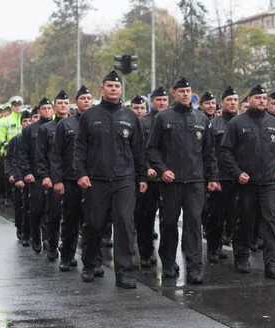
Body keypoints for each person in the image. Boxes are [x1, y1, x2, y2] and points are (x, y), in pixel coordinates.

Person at [74, 70, 147, 288]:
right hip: (96, 179)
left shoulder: (130, 117)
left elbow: (138, 151)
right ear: (102, 89)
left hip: (124, 179)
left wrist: (142, 176)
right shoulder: (90, 115)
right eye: (110, 86)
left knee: (125, 224)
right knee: (94, 224)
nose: (114, 89)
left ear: (121, 90)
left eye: (117, 86)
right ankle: (89, 264)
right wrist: (81, 173)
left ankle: (124, 272)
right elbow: (80, 149)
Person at [146, 76, 219, 284]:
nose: (185, 94)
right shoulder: (163, 118)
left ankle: (195, 267)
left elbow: (208, 153)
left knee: (194, 224)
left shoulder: (201, 119)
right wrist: (162, 171)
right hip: (171, 183)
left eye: (188, 91)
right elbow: (151, 149)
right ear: (174, 93)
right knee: (168, 223)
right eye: (181, 91)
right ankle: (168, 262)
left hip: (195, 182)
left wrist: (212, 177)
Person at [221, 84, 275, 279]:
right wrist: (236, 173)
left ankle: (272, 264)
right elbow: (226, 151)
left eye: (264, 98)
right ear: (248, 99)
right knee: (245, 220)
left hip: (270, 182)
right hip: (246, 183)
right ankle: (241, 256)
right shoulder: (237, 123)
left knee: (271, 222)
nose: (261, 101)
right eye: (257, 98)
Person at [51, 85, 93, 272]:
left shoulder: (97, 122)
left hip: (94, 181)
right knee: (70, 220)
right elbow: (56, 155)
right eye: (82, 98)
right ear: (76, 102)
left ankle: (93, 261)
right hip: (70, 180)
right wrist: (57, 180)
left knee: (94, 222)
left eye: (88, 98)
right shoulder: (65, 125)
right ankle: (67, 256)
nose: (86, 101)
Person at [15, 97, 54, 254]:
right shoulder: (30, 130)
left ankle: (49, 240)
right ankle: (36, 237)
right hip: (36, 175)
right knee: (37, 209)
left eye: (49, 108)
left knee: (52, 211)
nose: (46, 111)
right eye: (43, 109)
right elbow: (23, 153)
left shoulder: (58, 126)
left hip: (53, 174)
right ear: (38, 111)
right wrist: (27, 172)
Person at [136, 86, 169, 268]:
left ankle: (167, 257)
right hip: (150, 178)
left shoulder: (171, 120)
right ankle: (146, 253)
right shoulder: (143, 123)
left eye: (164, 100)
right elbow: (139, 149)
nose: (162, 103)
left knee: (168, 220)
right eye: (158, 100)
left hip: (168, 178)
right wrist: (147, 168)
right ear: (151, 102)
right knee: (146, 218)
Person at [37, 90, 71, 262]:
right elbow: (41, 155)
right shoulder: (46, 128)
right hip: (54, 176)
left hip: (72, 176)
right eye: (60, 103)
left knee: (73, 216)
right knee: (54, 214)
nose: (63, 106)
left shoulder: (77, 124)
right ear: (54, 106)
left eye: (66, 103)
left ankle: (67, 249)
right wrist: (45, 175)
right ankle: (52, 245)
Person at [205, 85, 238, 264]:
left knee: (235, 215)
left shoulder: (242, 122)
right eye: (229, 100)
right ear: (222, 102)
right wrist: (213, 177)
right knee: (216, 215)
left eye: (235, 100)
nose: (233, 103)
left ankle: (233, 246)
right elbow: (210, 152)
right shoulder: (214, 124)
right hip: (220, 177)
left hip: (238, 177)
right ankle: (213, 248)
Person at [5, 110, 31, 243]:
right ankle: (20, 228)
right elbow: (9, 159)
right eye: (24, 121)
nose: (27, 123)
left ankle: (30, 230)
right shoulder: (15, 140)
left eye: (29, 121)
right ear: (21, 124)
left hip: (32, 176)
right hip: (18, 176)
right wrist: (12, 175)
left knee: (32, 205)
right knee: (20, 204)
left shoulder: (36, 138)